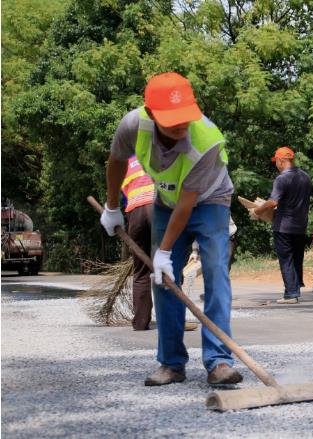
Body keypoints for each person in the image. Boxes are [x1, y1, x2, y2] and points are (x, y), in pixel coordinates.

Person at [99, 72, 243, 387]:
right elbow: (116, 162)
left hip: (211, 202)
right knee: (163, 280)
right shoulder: (133, 125)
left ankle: (219, 361)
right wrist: (112, 207)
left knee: (216, 273)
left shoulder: (206, 138)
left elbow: (188, 203)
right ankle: (171, 363)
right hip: (166, 202)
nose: (181, 127)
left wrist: (163, 251)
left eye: (184, 119)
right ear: (151, 114)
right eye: (172, 122)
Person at [252, 147, 312, 305]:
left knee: (286, 259)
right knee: (296, 258)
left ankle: (292, 294)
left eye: (276, 162)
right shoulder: (305, 177)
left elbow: (273, 202)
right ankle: (292, 289)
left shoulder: (281, 179)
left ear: (280, 160)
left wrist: (257, 211)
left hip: (284, 226)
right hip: (301, 225)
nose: (276, 165)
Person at [121, 155, 155, 330]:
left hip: (135, 214)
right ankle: (172, 319)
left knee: (141, 271)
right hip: (158, 209)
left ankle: (141, 322)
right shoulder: (161, 151)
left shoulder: (128, 163)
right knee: (169, 264)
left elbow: (125, 197)